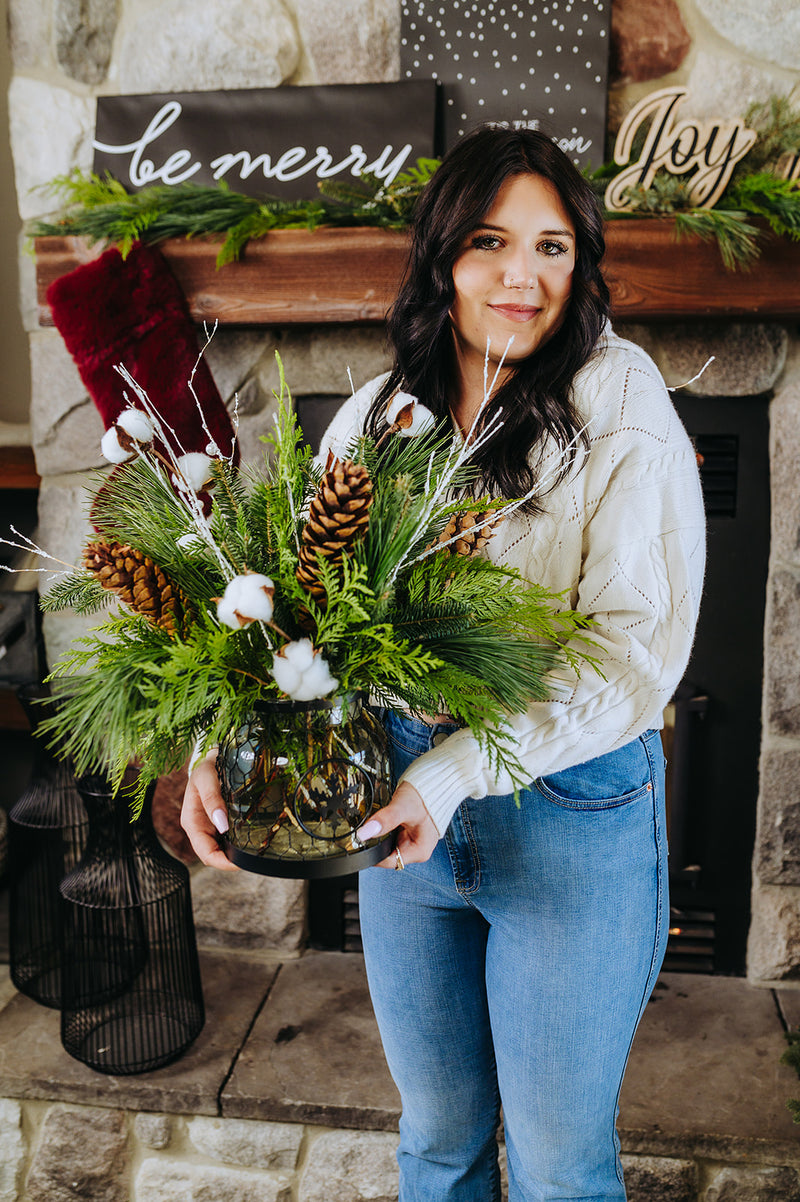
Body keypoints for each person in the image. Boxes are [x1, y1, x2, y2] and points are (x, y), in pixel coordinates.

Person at [181, 125, 706, 1202]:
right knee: (436, 1141)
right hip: (397, 815)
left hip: (571, 814)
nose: (522, 275)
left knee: (560, 1167)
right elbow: (287, 627)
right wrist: (222, 751)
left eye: (552, 246)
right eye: (487, 241)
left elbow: (632, 657)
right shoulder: (378, 417)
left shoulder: (618, 398)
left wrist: (452, 772)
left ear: (582, 260)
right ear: (441, 257)